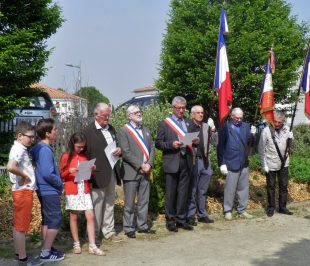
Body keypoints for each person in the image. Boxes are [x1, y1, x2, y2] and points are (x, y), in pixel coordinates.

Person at [155, 96, 197, 232]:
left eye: (183, 108)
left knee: (183, 192)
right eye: (178, 108)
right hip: (172, 160)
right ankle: (170, 220)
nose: (181, 111)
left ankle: (181, 219)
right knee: (171, 193)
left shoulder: (189, 122)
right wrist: (171, 145)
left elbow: (193, 139)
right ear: (173, 108)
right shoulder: (165, 124)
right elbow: (158, 143)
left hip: (186, 160)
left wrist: (195, 141)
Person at [83, 103, 123, 243]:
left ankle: (109, 231)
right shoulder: (87, 131)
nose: (107, 118)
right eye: (105, 116)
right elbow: (84, 154)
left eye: (108, 115)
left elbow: (116, 145)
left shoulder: (111, 129)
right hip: (97, 174)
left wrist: (119, 150)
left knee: (110, 203)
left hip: (111, 170)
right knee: (96, 205)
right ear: (96, 115)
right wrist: (86, 173)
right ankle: (93, 233)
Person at [60, 132, 105, 255]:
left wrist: (92, 170)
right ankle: (76, 244)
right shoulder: (66, 156)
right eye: (78, 146)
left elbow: (87, 176)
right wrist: (69, 171)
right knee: (73, 216)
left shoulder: (85, 157)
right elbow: (61, 175)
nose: (81, 148)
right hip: (72, 189)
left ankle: (92, 245)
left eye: (83, 146)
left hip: (84, 188)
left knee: (90, 215)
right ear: (73, 144)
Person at [7, 121, 43, 266]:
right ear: (20, 135)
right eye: (30, 137)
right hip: (23, 191)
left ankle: (18, 253)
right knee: (21, 226)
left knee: (18, 225)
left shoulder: (19, 148)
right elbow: (10, 167)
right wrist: (25, 176)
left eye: (34, 137)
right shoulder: (19, 150)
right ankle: (23, 259)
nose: (33, 139)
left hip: (20, 191)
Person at [117, 105, 155, 238]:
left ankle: (142, 225)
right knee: (129, 202)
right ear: (129, 116)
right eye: (135, 112)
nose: (139, 113)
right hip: (131, 172)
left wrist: (149, 164)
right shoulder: (123, 131)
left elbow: (152, 149)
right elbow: (126, 152)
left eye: (139, 111)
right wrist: (140, 165)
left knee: (144, 200)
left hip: (146, 171)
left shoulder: (146, 130)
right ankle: (128, 228)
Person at [30, 118, 65, 262]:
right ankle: (45, 253)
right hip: (49, 190)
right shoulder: (44, 150)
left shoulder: (39, 148)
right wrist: (59, 183)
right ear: (47, 133)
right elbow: (47, 173)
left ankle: (47, 247)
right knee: (55, 220)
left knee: (47, 220)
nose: (57, 131)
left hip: (44, 189)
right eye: (55, 130)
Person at [217, 107, 256, 220]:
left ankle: (242, 209)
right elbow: (221, 147)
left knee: (243, 188)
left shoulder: (247, 126)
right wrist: (222, 163)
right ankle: (227, 210)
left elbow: (251, 144)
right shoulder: (225, 127)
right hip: (231, 162)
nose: (239, 120)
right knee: (230, 188)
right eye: (236, 118)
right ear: (232, 116)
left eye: (240, 118)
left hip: (243, 162)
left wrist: (253, 134)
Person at [258, 111, 294, 217]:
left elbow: (291, 147)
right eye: (275, 121)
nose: (277, 124)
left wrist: (291, 139)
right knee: (271, 187)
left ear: (283, 121)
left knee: (283, 186)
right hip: (270, 163)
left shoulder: (287, 129)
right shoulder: (266, 131)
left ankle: (282, 207)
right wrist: (263, 164)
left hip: (284, 163)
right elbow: (261, 149)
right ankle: (271, 207)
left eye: (279, 122)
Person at [187, 105, 218, 226]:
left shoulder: (206, 126)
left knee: (202, 190)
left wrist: (214, 129)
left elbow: (216, 142)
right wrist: (191, 140)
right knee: (193, 189)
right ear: (192, 114)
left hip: (206, 161)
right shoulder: (188, 126)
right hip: (194, 160)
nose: (201, 114)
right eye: (198, 112)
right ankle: (190, 215)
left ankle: (202, 214)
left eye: (202, 112)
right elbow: (183, 142)